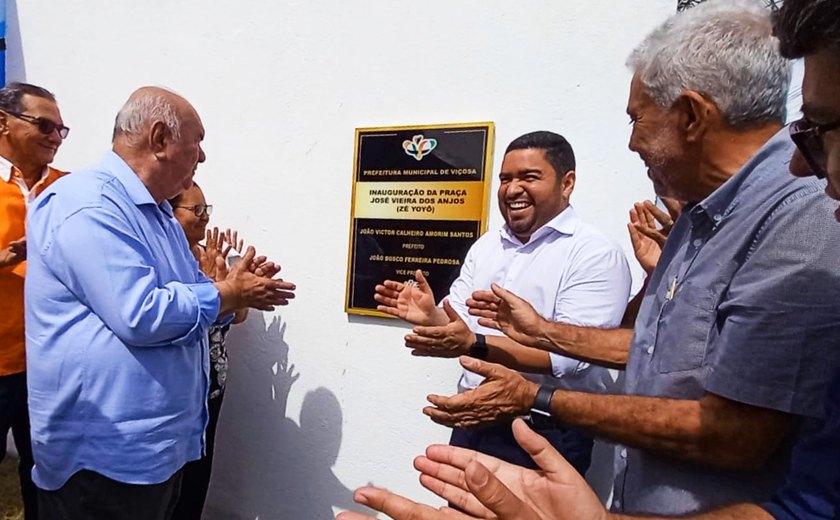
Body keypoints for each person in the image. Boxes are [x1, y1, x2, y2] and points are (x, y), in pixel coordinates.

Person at [415, 1, 840, 515]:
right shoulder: (697, 214)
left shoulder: (798, 215)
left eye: (638, 118)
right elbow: (655, 349)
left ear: (691, 116)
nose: (632, 141)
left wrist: (537, 397)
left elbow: (737, 434)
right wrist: (542, 330)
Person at [24, 86, 296, 520]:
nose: (202, 157)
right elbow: (142, 314)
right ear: (158, 139)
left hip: (156, 452)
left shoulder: (158, 213)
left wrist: (230, 287)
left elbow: (193, 295)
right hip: (104, 460)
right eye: (197, 141)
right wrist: (227, 293)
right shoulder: (87, 204)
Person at [374, 131, 631, 474]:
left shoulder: (594, 254)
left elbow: (569, 359)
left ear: (566, 183)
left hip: (544, 431)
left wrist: (474, 344)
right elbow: (460, 324)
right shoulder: (487, 246)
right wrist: (433, 316)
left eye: (529, 177)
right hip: (474, 418)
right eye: (505, 179)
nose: (512, 189)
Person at [0, 82, 68, 520]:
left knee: (48, 475)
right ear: (3, 122)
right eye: (44, 125)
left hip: (52, 366)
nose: (54, 137)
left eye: (61, 130)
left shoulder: (71, 190)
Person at [168, 183, 248, 519]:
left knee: (200, 470)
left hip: (213, 382)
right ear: (170, 214)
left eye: (206, 210)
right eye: (195, 210)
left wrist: (228, 282)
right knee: (173, 477)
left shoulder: (210, 254)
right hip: (180, 385)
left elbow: (239, 315)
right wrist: (216, 288)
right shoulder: (167, 261)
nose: (203, 218)